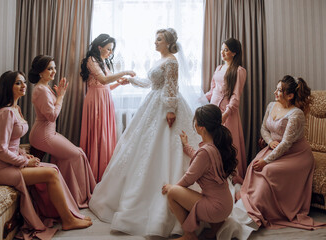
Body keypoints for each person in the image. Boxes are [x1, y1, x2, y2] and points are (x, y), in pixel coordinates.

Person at [88, 28, 201, 237]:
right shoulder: (160, 60)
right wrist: (129, 80)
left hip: (165, 108)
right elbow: (151, 84)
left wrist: (169, 110)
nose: (155, 42)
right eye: (155, 39)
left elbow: (172, 87)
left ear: (167, 43)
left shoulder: (172, 61)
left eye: (159, 39)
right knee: (138, 149)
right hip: (152, 104)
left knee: (167, 149)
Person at [0, 71, 92, 239]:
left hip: (10, 162)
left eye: (24, 82)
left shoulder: (15, 109)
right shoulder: (5, 113)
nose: (24, 85)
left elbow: (12, 144)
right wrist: (24, 162)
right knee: (50, 173)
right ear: (8, 87)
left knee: (53, 168)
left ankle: (67, 215)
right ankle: (68, 219)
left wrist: (24, 155)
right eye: (18, 83)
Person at [218, 75, 325, 239]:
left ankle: (257, 212)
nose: (275, 92)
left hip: (296, 156)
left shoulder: (296, 114)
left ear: (290, 95)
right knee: (254, 166)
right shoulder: (271, 105)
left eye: (279, 90)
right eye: (276, 88)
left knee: (267, 171)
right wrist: (270, 142)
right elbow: (263, 129)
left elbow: (286, 144)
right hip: (274, 148)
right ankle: (248, 203)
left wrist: (266, 160)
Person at [28, 55, 96, 208]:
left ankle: (72, 194)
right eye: (49, 68)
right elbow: (52, 116)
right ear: (40, 72)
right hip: (43, 136)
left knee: (78, 152)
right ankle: (75, 197)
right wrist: (60, 97)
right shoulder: (41, 90)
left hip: (48, 133)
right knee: (77, 155)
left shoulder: (44, 88)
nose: (54, 71)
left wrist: (58, 96)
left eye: (54, 67)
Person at [162, 104, 238, 240]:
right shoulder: (217, 144)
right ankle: (214, 229)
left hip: (216, 207)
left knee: (172, 193)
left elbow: (188, 179)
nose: (194, 124)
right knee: (181, 192)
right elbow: (200, 158)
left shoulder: (205, 152)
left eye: (195, 122)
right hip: (226, 204)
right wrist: (186, 146)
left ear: (201, 128)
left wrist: (171, 188)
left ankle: (189, 236)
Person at [79, 34, 135, 182]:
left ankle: (103, 172)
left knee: (105, 134)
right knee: (98, 135)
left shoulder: (103, 62)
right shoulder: (91, 60)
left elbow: (106, 86)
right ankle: (93, 174)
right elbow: (103, 80)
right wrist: (124, 72)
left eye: (112, 50)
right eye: (108, 49)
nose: (110, 52)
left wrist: (119, 83)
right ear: (100, 47)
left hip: (105, 100)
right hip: (95, 101)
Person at [202, 37, 247, 180]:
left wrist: (226, 114)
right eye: (222, 49)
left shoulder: (239, 71)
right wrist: (200, 98)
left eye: (226, 50)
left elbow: (235, 96)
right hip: (213, 109)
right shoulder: (218, 68)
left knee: (227, 145)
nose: (222, 52)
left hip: (227, 113)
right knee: (211, 142)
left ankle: (230, 176)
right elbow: (212, 91)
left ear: (234, 52)